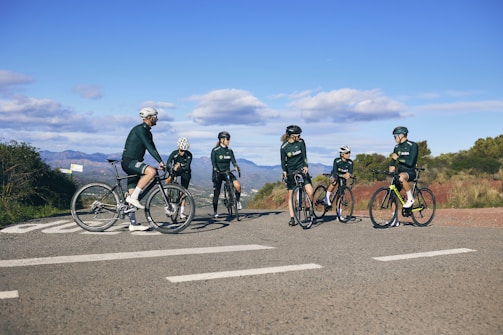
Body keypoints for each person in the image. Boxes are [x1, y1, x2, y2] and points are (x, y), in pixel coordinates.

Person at [121, 106, 165, 231]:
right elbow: (148, 147)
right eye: (155, 116)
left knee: (133, 189)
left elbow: (153, 148)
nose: (157, 118)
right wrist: (159, 162)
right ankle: (133, 198)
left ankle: (133, 223)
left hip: (133, 162)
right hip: (129, 162)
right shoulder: (140, 130)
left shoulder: (147, 132)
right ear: (149, 117)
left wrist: (160, 161)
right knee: (151, 171)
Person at [280, 125, 314, 226]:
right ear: (291, 136)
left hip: (301, 169)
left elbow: (304, 155)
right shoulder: (284, 147)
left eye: (299, 135)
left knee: (310, 192)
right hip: (290, 171)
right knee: (291, 196)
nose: (299, 137)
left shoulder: (301, 142)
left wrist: (306, 165)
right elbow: (283, 161)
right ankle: (292, 218)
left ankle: (308, 207)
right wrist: (284, 171)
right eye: (297, 135)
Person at [389, 126, 418, 222]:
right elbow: (393, 161)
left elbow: (411, 163)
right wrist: (391, 165)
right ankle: (394, 220)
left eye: (395, 136)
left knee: (401, 177)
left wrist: (398, 158)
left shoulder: (412, 145)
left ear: (401, 135)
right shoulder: (397, 147)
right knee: (393, 194)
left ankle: (410, 198)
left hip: (410, 172)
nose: (394, 138)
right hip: (399, 172)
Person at [211, 131, 242, 218]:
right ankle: (215, 211)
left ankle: (237, 201)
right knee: (216, 193)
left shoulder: (229, 151)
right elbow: (213, 163)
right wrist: (216, 170)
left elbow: (233, 161)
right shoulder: (215, 150)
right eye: (227, 139)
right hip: (218, 173)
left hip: (227, 172)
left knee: (238, 186)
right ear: (222, 140)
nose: (229, 141)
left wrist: (236, 166)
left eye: (229, 139)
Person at [165, 137, 193, 219]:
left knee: (183, 191)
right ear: (178, 148)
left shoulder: (189, 155)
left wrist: (180, 165)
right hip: (176, 170)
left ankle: (181, 212)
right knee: (168, 179)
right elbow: (168, 163)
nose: (183, 153)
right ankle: (166, 194)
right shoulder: (174, 153)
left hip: (185, 171)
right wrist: (171, 167)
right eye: (181, 150)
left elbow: (187, 166)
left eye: (184, 151)